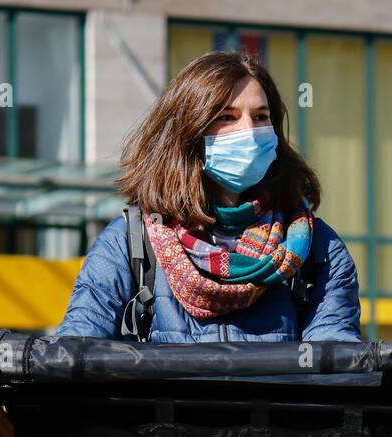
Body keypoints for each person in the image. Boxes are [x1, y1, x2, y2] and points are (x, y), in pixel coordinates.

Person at [58, 51, 360, 342]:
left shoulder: (317, 248)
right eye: (227, 117)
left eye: (260, 117)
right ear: (189, 133)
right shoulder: (130, 243)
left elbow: (334, 365)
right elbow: (77, 351)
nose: (249, 131)